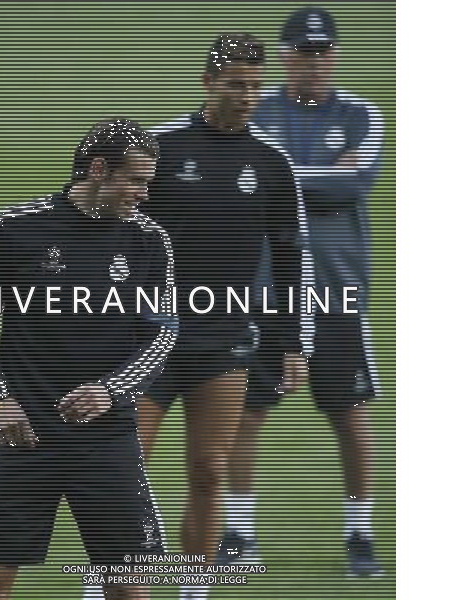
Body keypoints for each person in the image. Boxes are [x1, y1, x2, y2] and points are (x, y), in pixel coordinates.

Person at [0, 118, 178, 600]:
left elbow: (162, 335)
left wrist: (111, 390)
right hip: (24, 439)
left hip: (107, 441)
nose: (144, 194)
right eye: (137, 180)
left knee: (128, 587)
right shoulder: (15, 228)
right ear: (98, 169)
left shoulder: (148, 240)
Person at [136, 33, 307, 600]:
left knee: (210, 472)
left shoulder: (272, 164)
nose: (248, 95)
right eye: (236, 83)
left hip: (224, 340)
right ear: (208, 82)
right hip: (146, 338)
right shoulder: (160, 148)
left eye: (258, 85)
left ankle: (194, 591)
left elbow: (289, 257)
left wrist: (291, 342)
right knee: (124, 474)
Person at [221, 6, 384, 576]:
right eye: (302, 52)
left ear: (334, 55)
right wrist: (310, 176)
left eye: (323, 51)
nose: (313, 62)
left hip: (338, 288)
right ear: (286, 56)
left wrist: (288, 173)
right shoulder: (256, 111)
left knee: (349, 413)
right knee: (246, 413)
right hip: (267, 288)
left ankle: (359, 534)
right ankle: (239, 533)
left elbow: (356, 179)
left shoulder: (363, 114)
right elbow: (260, 181)